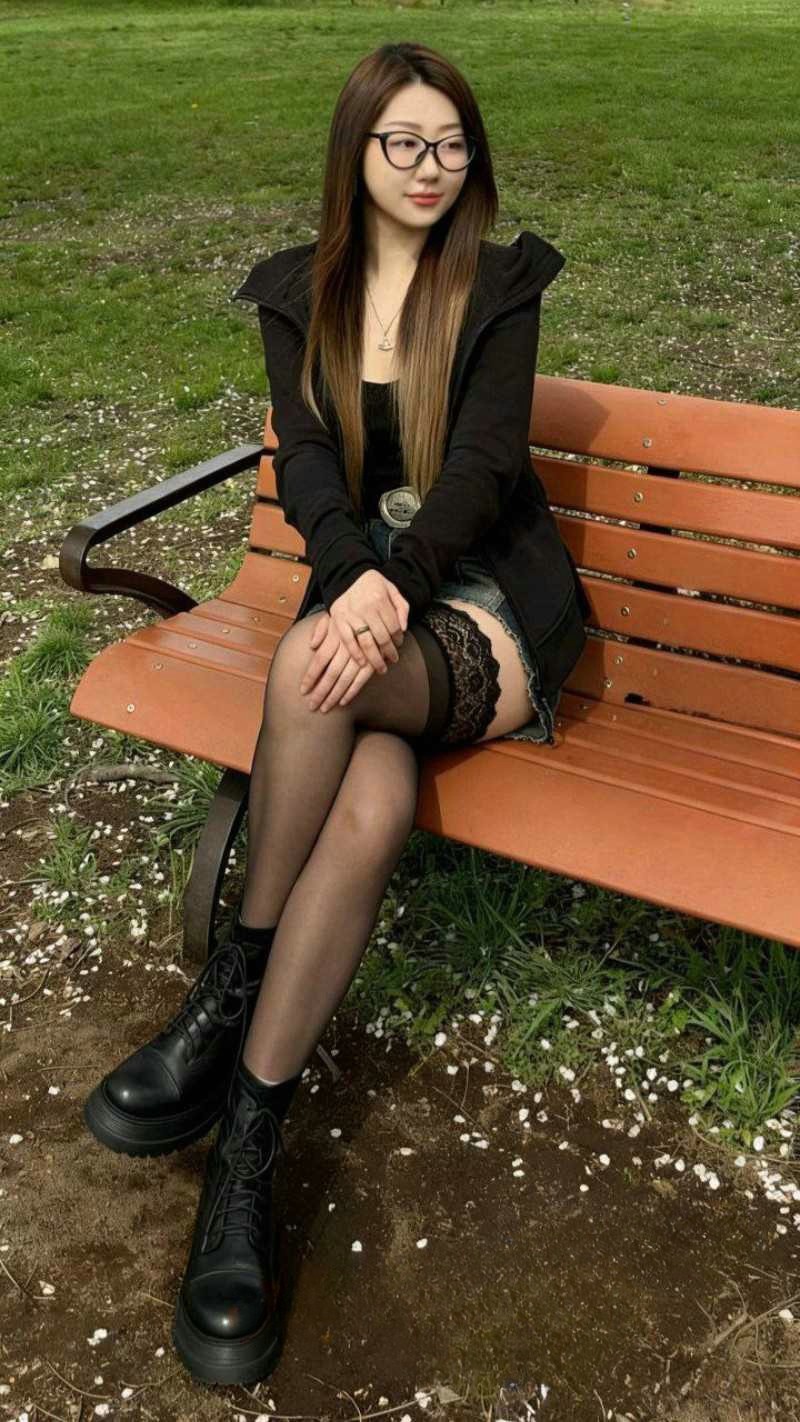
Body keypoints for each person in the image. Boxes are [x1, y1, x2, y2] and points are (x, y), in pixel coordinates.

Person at [82, 40, 590, 1387]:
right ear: (356, 151)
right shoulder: (298, 294)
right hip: (365, 593)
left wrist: (388, 588)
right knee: (367, 799)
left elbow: (484, 469)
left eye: (451, 145)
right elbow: (307, 462)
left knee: (324, 657)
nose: (431, 168)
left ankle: (227, 991)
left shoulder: (499, 286)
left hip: (480, 610)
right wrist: (355, 571)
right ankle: (249, 1142)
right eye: (403, 143)